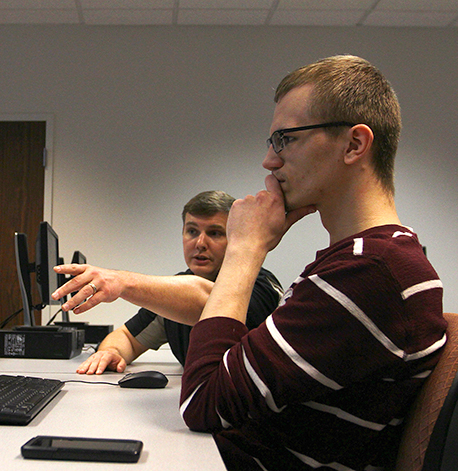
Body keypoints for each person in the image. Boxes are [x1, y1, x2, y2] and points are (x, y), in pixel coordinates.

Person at [179, 55, 446, 471]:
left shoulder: (371, 272)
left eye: (285, 139)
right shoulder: (368, 261)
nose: (270, 161)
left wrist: (245, 250)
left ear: (355, 145)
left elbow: (203, 402)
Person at [75, 190, 283, 375]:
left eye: (215, 233)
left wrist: (123, 282)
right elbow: (127, 338)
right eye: (192, 231)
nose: (200, 243)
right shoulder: (174, 293)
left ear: (234, 238)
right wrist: (110, 353)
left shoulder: (261, 285)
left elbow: (213, 304)